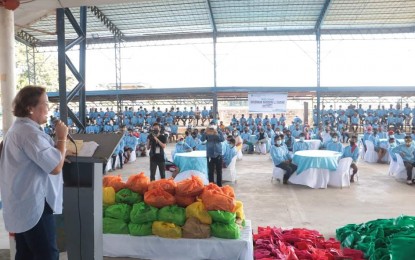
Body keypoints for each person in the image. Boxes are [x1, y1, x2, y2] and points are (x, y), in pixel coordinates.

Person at [0, 86, 69, 259]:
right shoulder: (29, 133)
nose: (48, 109)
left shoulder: (19, 129)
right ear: (31, 108)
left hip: (22, 202)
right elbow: (55, 167)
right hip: (34, 205)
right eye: (45, 104)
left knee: (26, 254)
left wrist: (60, 151)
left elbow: (41, 156)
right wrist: (62, 138)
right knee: (47, 254)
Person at [201, 121, 224, 186]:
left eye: (214, 124)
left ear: (216, 125)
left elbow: (222, 139)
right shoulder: (207, 131)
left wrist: (216, 133)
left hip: (218, 153)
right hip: (210, 154)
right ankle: (211, 185)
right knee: (210, 171)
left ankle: (219, 186)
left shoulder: (219, 131)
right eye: (211, 124)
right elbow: (202, 139)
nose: (212, 126)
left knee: (219, 171)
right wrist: (205, 132)